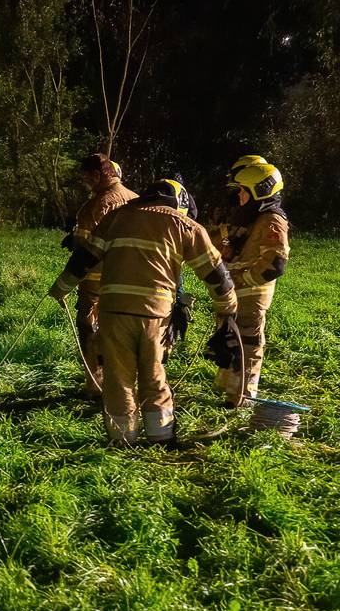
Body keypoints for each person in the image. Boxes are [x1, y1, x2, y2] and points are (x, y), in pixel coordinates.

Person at [49, 179, 238, 445]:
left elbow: (84, 259)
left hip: (113, 311)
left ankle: (122, 438)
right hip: (154, 315)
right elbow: (215, 272)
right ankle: (160, 437)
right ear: (180, 204)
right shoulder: (184, 225)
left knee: (117, 378)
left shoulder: (116, 217)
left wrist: (61, 289)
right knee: (153, 375)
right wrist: (228, 306)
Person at [61, 153, 139, 398]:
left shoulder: (92, 207)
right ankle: (126, 383)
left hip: (97, 281)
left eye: (86, 178)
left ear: (96, 175)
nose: (85, 183)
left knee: (88, 327)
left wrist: (65, 284)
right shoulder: (137, 200)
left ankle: (95, 384)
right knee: (124, 331)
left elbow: (83, 253)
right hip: (132, 279)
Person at [215, 162, 290, 407]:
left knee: (247, 344)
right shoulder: (252, 217)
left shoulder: (271, 220)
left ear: (260, 191)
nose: (239, 196)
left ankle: (242, 396)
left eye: (244, 191)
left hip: (252, 294)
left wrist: (245, 279)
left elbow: (276, 263)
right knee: (230, 339)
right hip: (236, 291)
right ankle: (228, 388)